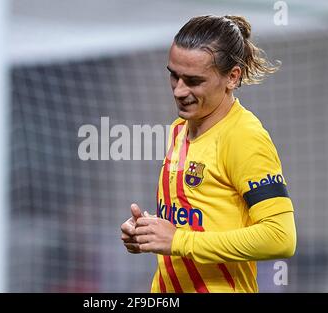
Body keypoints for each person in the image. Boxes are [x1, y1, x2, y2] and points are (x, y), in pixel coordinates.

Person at [120, 15, 296, 293]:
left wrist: (178, 241)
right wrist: (148, 234)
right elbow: (196, 218)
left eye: (193, 80)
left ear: (232, 77)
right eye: (174, 75)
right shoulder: (179, 129)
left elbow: (281, 238)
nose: (179, 90)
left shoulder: (244, 137)